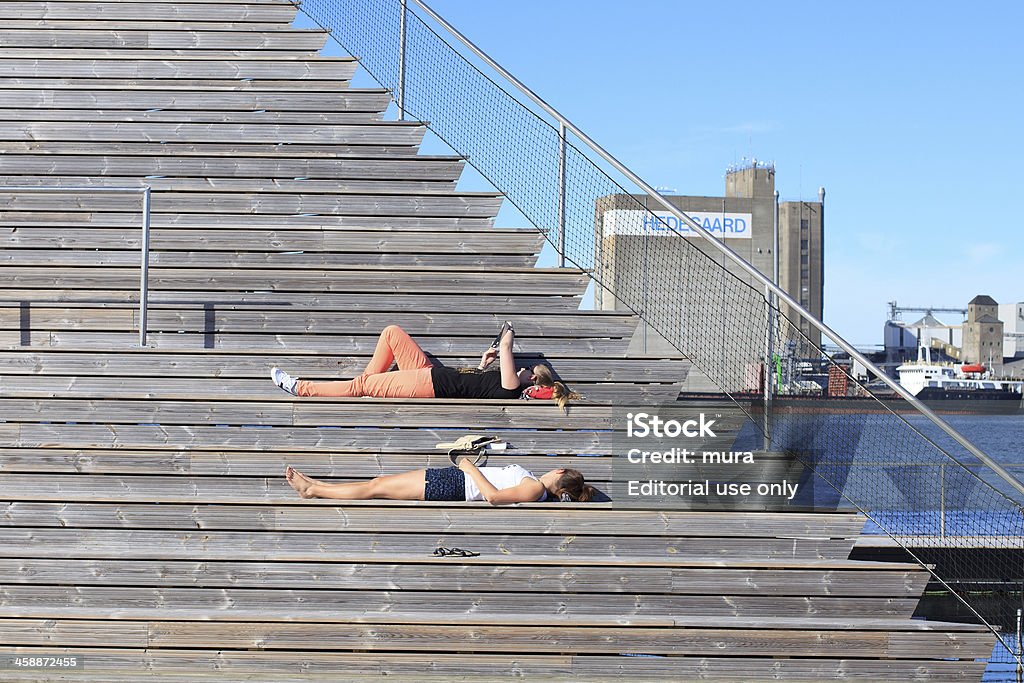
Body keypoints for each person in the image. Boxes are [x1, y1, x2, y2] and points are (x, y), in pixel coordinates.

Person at [271, 323, 579, 411]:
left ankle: (301, 388)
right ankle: (367, 382)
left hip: (427, 384)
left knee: (360, 387)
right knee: (392, 333)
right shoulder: (501, 383)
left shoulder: (512, 389)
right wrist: (484, 364)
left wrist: (507, 331)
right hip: (428, 372)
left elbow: (509, 344)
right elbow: (472, 383)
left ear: (529, 382)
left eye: (526, 371)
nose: (521, 369)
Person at [284, 458, 596, 504]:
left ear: (559, 474)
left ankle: (313, 490)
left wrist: (470, 466)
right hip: (456, 480)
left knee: (377, 488)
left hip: (457, 485)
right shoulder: (535, 485)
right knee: (379, 481)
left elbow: (493, 497)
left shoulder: (535, 488)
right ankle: (317, 486)